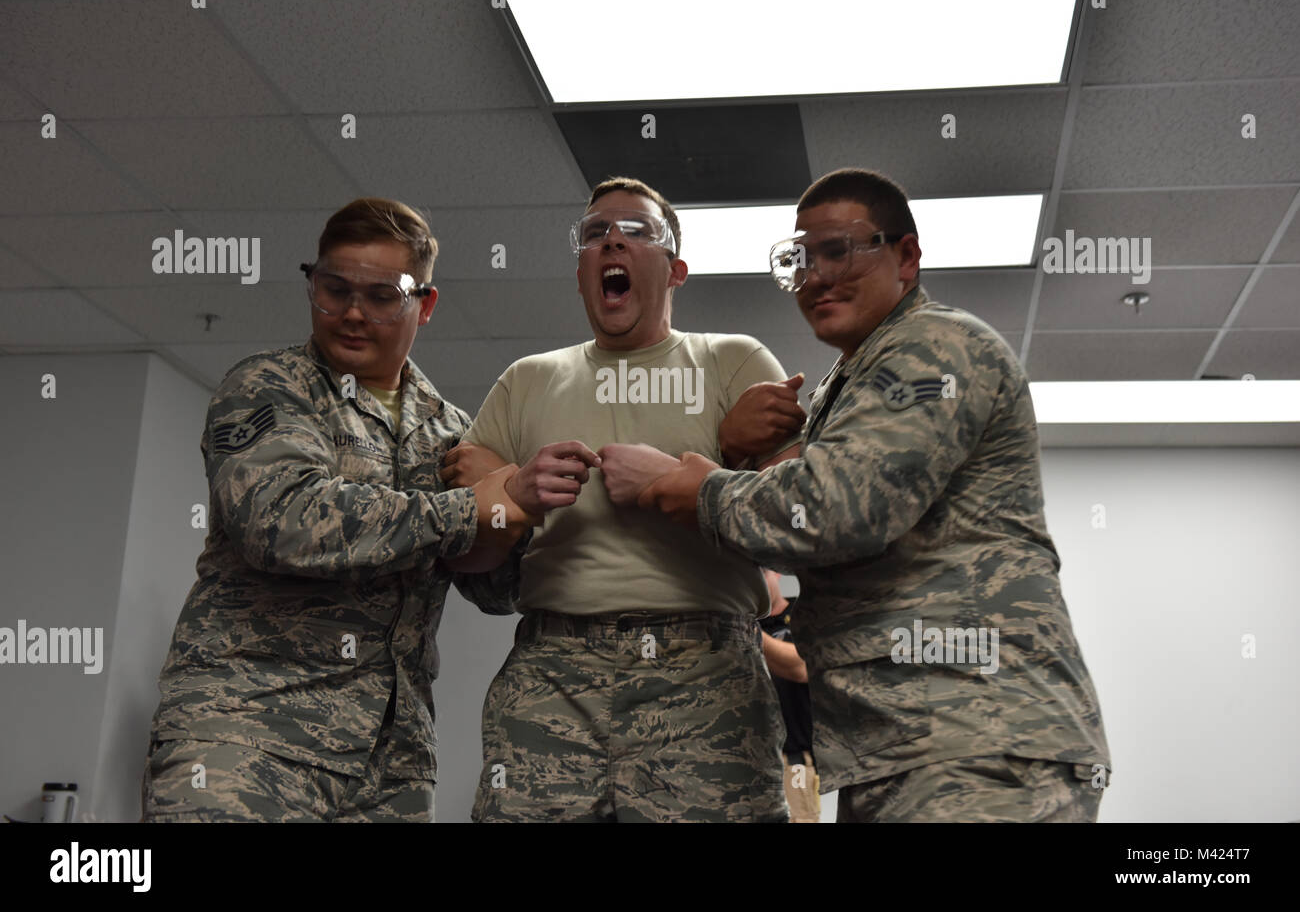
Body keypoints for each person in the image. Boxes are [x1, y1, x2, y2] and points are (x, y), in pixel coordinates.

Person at [602, 168, 1112, 822]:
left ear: (907, 256)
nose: (815, 276)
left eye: (839, 250)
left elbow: (836, 508)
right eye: (799, 259)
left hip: (975, 742)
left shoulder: (932, 348)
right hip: (911, 744)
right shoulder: (854, 379)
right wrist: (745, 449)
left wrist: (697, 487)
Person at [141, 197, 542, 822]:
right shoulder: (268, 386)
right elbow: (282, 520)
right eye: (335, 289)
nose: (353, 313)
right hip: (249, 735)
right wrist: (468, 508)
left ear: (424, 304)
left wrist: (517, 511)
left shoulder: (455, 432)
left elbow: (495, 591)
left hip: (391, 766)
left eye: (382, 296)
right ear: (312, 285)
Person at [439, 177, 805, 822]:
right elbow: (470, 557)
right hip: (553, 672)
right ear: (583, 272)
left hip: (705, 672)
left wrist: (692, 476)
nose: (611, 238)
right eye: (594, 233)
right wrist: (512, 495)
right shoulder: (526, 380)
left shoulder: (732, 362)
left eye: (637, 230)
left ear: (676, 270)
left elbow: (794, 525)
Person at [758, 570, 820, 823]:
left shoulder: (803, 613)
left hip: (800, 752)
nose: (759, 582)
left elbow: (802, 666)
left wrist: (747, 630)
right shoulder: (748, 626)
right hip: (762, 754)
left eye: (762, 573)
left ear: (775, 573)